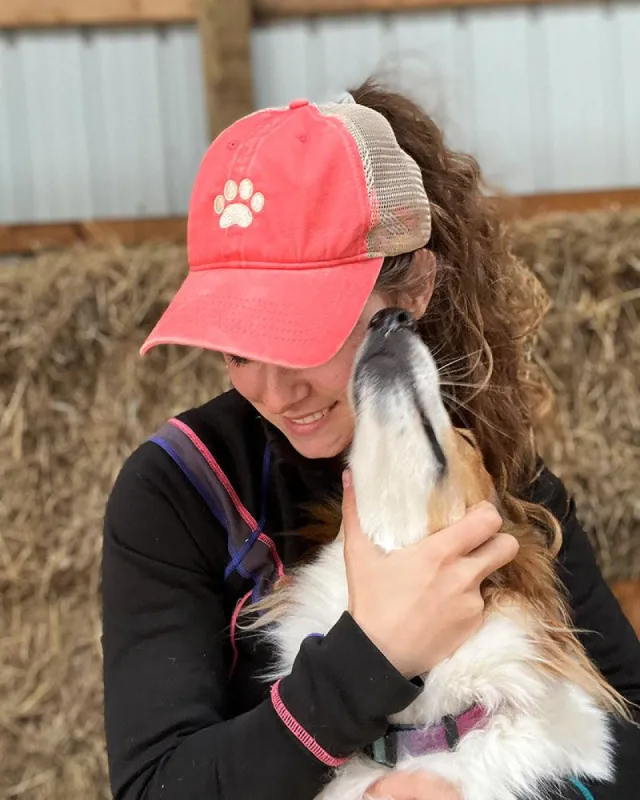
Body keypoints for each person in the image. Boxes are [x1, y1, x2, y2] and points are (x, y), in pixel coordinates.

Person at [101, 80, 640, 800]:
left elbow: (625, 723)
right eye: (235, 349)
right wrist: (376, 655)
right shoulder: (176, 490)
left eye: (302, 335)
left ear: (412, 287)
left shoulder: (492, 471)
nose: (274, 390)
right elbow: (154, 788)